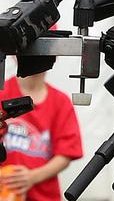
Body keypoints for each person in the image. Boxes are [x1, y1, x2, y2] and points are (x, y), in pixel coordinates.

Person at [0, 72, 83, 201]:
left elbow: (66, 153)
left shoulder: (60, 101)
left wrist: (32, 177)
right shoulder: (2, 93)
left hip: (44, 195)